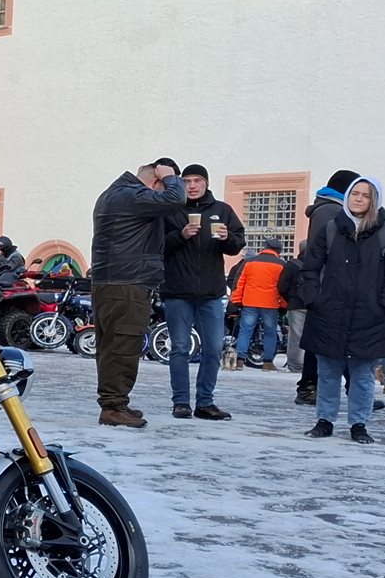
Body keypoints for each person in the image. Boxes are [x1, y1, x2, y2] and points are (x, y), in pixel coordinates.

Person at [297, 176, 385, 444]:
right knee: (328, 372)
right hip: (330, 312)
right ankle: (324, 420)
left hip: (370, 315)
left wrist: (384, 302)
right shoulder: (330, 229)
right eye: (354, 193)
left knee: (362, 374)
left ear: (375, 200)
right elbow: (310, 268)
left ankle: (359, 423)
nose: (359, 199)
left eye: (366, 195)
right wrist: (314, 299)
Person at [89, 157, 186, 427]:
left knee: (113, 345)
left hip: (117, 282)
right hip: (127, 283)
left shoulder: (118, 194)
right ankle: (113, 407)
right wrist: (170, 177)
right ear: (155, 181)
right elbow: (175, 200)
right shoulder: (131, 195)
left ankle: (115, 402)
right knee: (123, 345)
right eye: (163, 184)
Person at [159, 163, 245, 419]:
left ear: (206, 183)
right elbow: (156, 245)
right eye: (187, 181)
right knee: (180, 347)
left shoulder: (222, 210)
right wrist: (181, 235)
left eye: (197, 180)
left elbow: (238, 243)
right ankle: (181, 402)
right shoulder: (171, 210)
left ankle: (205, 402)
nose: (192, 186)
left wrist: (228, 238)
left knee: (214, 349)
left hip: (211, 292)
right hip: (177, 291)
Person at [293, 170, 359, 405]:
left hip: (326, 284)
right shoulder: (330, 211)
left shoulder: (328, 209)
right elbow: (330, 250)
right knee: (327, 340)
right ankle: (314, 388)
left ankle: (317, 387)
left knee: (324, 339)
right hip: (327, 286)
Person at [228, 240, 286, 369]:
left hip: (250, 302)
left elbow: (239, 282)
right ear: (279, 251)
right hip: (270, 303)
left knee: (245, 331)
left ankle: (240, 360)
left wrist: (236, 300)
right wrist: (283, 304)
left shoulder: (249, 262)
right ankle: (268, 362)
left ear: (264, 248)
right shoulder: (281, 264)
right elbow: (283, 287)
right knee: (270, 333)